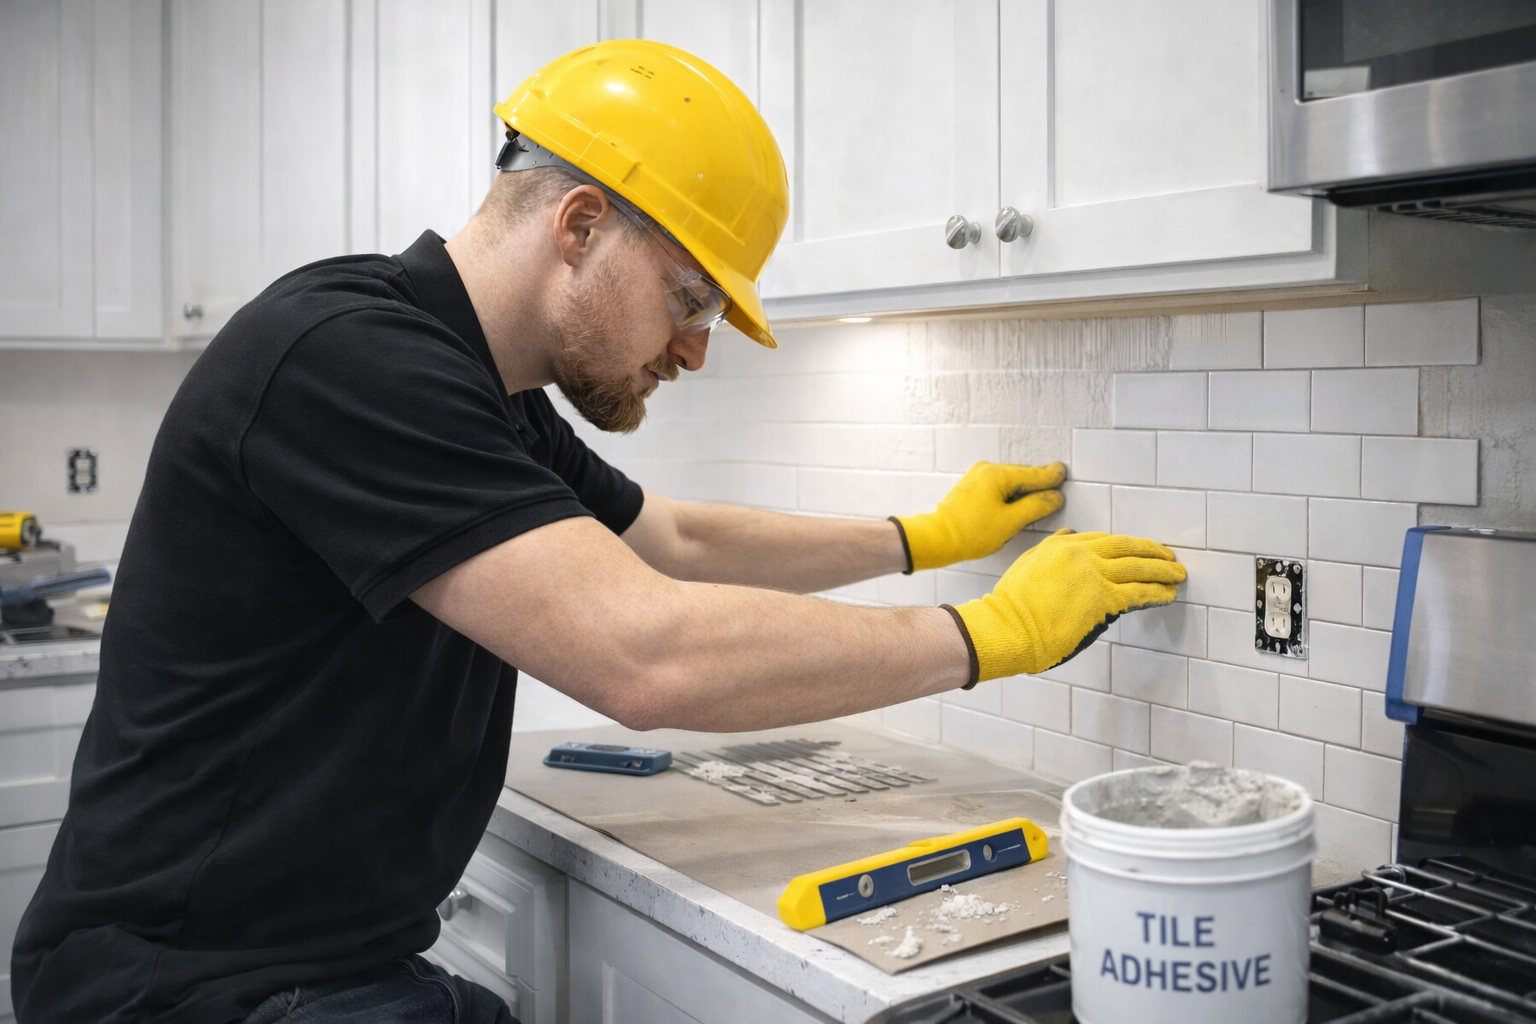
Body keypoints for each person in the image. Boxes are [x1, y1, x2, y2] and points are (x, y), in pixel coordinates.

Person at [11, 40, 1185, 1024]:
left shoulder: (483, 385)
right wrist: (994, 633)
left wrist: (920, 534)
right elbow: (645, 652)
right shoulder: (353, 360)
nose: (693, 349)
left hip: (320, 965)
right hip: (184, 986)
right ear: (580, 226)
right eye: (688, 300)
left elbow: (668, 539)